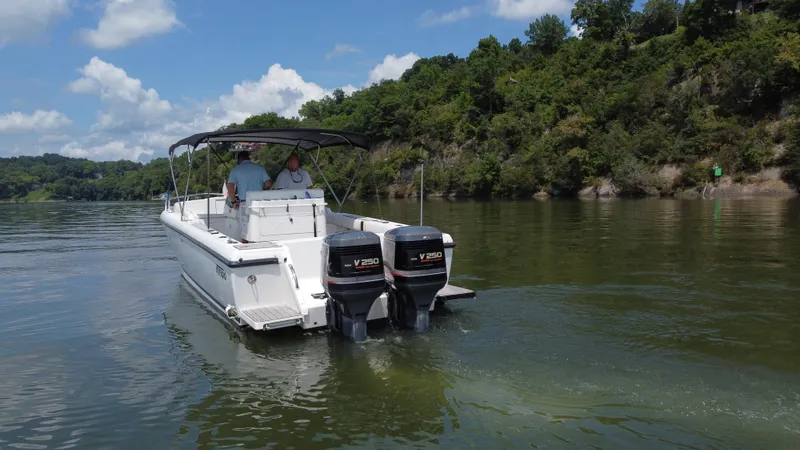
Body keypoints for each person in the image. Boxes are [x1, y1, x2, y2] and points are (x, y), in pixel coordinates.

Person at [226, 151, 272, 242]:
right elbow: (268, 183)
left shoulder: (236, 170)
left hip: (244, 202)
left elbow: (230, 185)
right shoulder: (260, 168)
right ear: (249, 158)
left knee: (245, 229)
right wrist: (264, 189)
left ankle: (246, 245)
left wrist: (234, 201)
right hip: (259, 202)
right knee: (259, 225)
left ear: (239, 159)